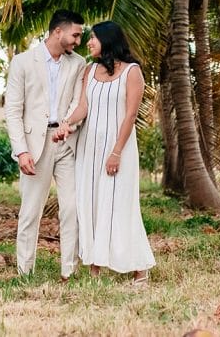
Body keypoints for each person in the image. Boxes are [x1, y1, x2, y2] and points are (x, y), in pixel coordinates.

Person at [55, 21, 155, 283]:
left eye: (94, 38)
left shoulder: (132, 72)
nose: (88, 43)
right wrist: (66, 124)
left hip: (117, 148)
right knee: (90, 205)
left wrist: (116, 152)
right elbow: (83, 107)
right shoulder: (90, 70)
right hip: (89, 148)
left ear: (108, 40)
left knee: (121, 205)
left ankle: (140, 269)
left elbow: (130, 115)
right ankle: (95, 268)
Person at [4, 9, 87, 280]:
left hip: (67, 144)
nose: (78, 41)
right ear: (57, 32)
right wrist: (21, 150)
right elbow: (13, 110)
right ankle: (25, 271)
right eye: (75, 35)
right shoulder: (22, 62)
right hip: (33, 146)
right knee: (30, 211)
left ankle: (69, 272)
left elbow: (78, 101)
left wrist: (68, 126)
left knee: (72, 208)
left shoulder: (78, 64)